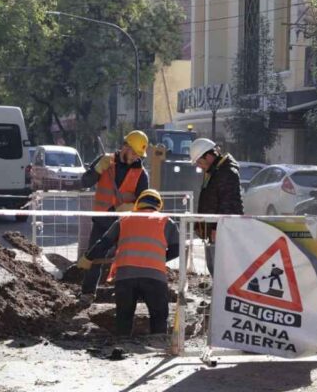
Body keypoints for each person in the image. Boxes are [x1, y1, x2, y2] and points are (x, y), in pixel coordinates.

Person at [78, 189, 180, 336]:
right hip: (154, 276)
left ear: (138, 204)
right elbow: (177, 250)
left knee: (124, 316)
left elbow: (104, 243)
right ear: (158, 205)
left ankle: (123, 345)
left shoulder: (124, 219)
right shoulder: (166, 221)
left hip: (125, 276)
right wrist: (158, 258)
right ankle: (157, 344)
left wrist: (88, 257)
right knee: (159, 317)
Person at [78, 130, 150, 303]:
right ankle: (87, 293)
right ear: (124, 147)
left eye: (138, 154)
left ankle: (127, 294)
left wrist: (131, 207)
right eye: (133, 152)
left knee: (127, 261)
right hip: (102, 221)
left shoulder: (141, 174)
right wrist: (96, 170)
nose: (135, 157)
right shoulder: (105, 161)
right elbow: (85, 182)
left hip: (125, 225)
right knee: (95, 258)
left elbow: (146, 203)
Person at [189, 138, 243, 276]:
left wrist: (216, 228)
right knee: (214, 268)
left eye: (200, 162)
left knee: (221, 271)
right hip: (215, 230)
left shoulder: (227, 172)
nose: (200, 167)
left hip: (222, 230)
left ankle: (221, 297)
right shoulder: (215, 171)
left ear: (208, 156)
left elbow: (229, 203)